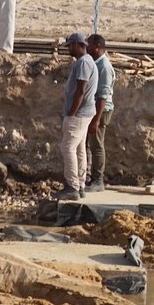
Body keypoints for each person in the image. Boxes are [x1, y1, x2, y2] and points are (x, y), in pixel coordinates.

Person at [56, 32, 98, 200]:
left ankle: (72, 186)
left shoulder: (83, 63)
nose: (69, 50)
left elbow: (81, 90)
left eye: (70, 46)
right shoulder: (87, 62)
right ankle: (80, 184)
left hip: (79, 114)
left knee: (67, 148)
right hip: (84, 113)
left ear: (77, 45)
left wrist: (71, 113)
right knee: (79, 148)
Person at [85, 34, 115, 192]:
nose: (86, 47)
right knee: (91, 144)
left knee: (96, 145)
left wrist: (96, 119)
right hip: (95, 109)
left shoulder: (104, 66)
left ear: (97, 47)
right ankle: (91, 178)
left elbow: (103, 95)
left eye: (88, 44)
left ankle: (98, 180)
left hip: (101, 110)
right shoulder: (96, 63)